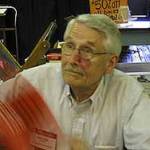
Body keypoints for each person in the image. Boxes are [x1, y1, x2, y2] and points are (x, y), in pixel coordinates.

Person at [0, 14, 150, 150]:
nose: (73, 60)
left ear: (110, 63)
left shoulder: (131, 97)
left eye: (87, 51)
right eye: (70, 46)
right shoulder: (34, 83)